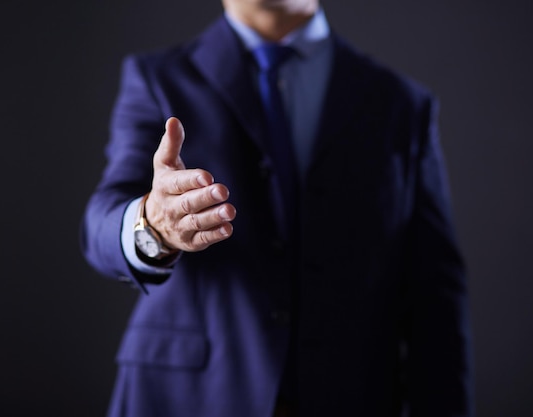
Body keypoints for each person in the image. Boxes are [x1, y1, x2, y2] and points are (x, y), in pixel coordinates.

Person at [80, 0, 474, 416]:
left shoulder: (402, 105)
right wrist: (154, 226)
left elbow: (436, 299)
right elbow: (100, 223)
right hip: (185, 397)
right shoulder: (157, 78)